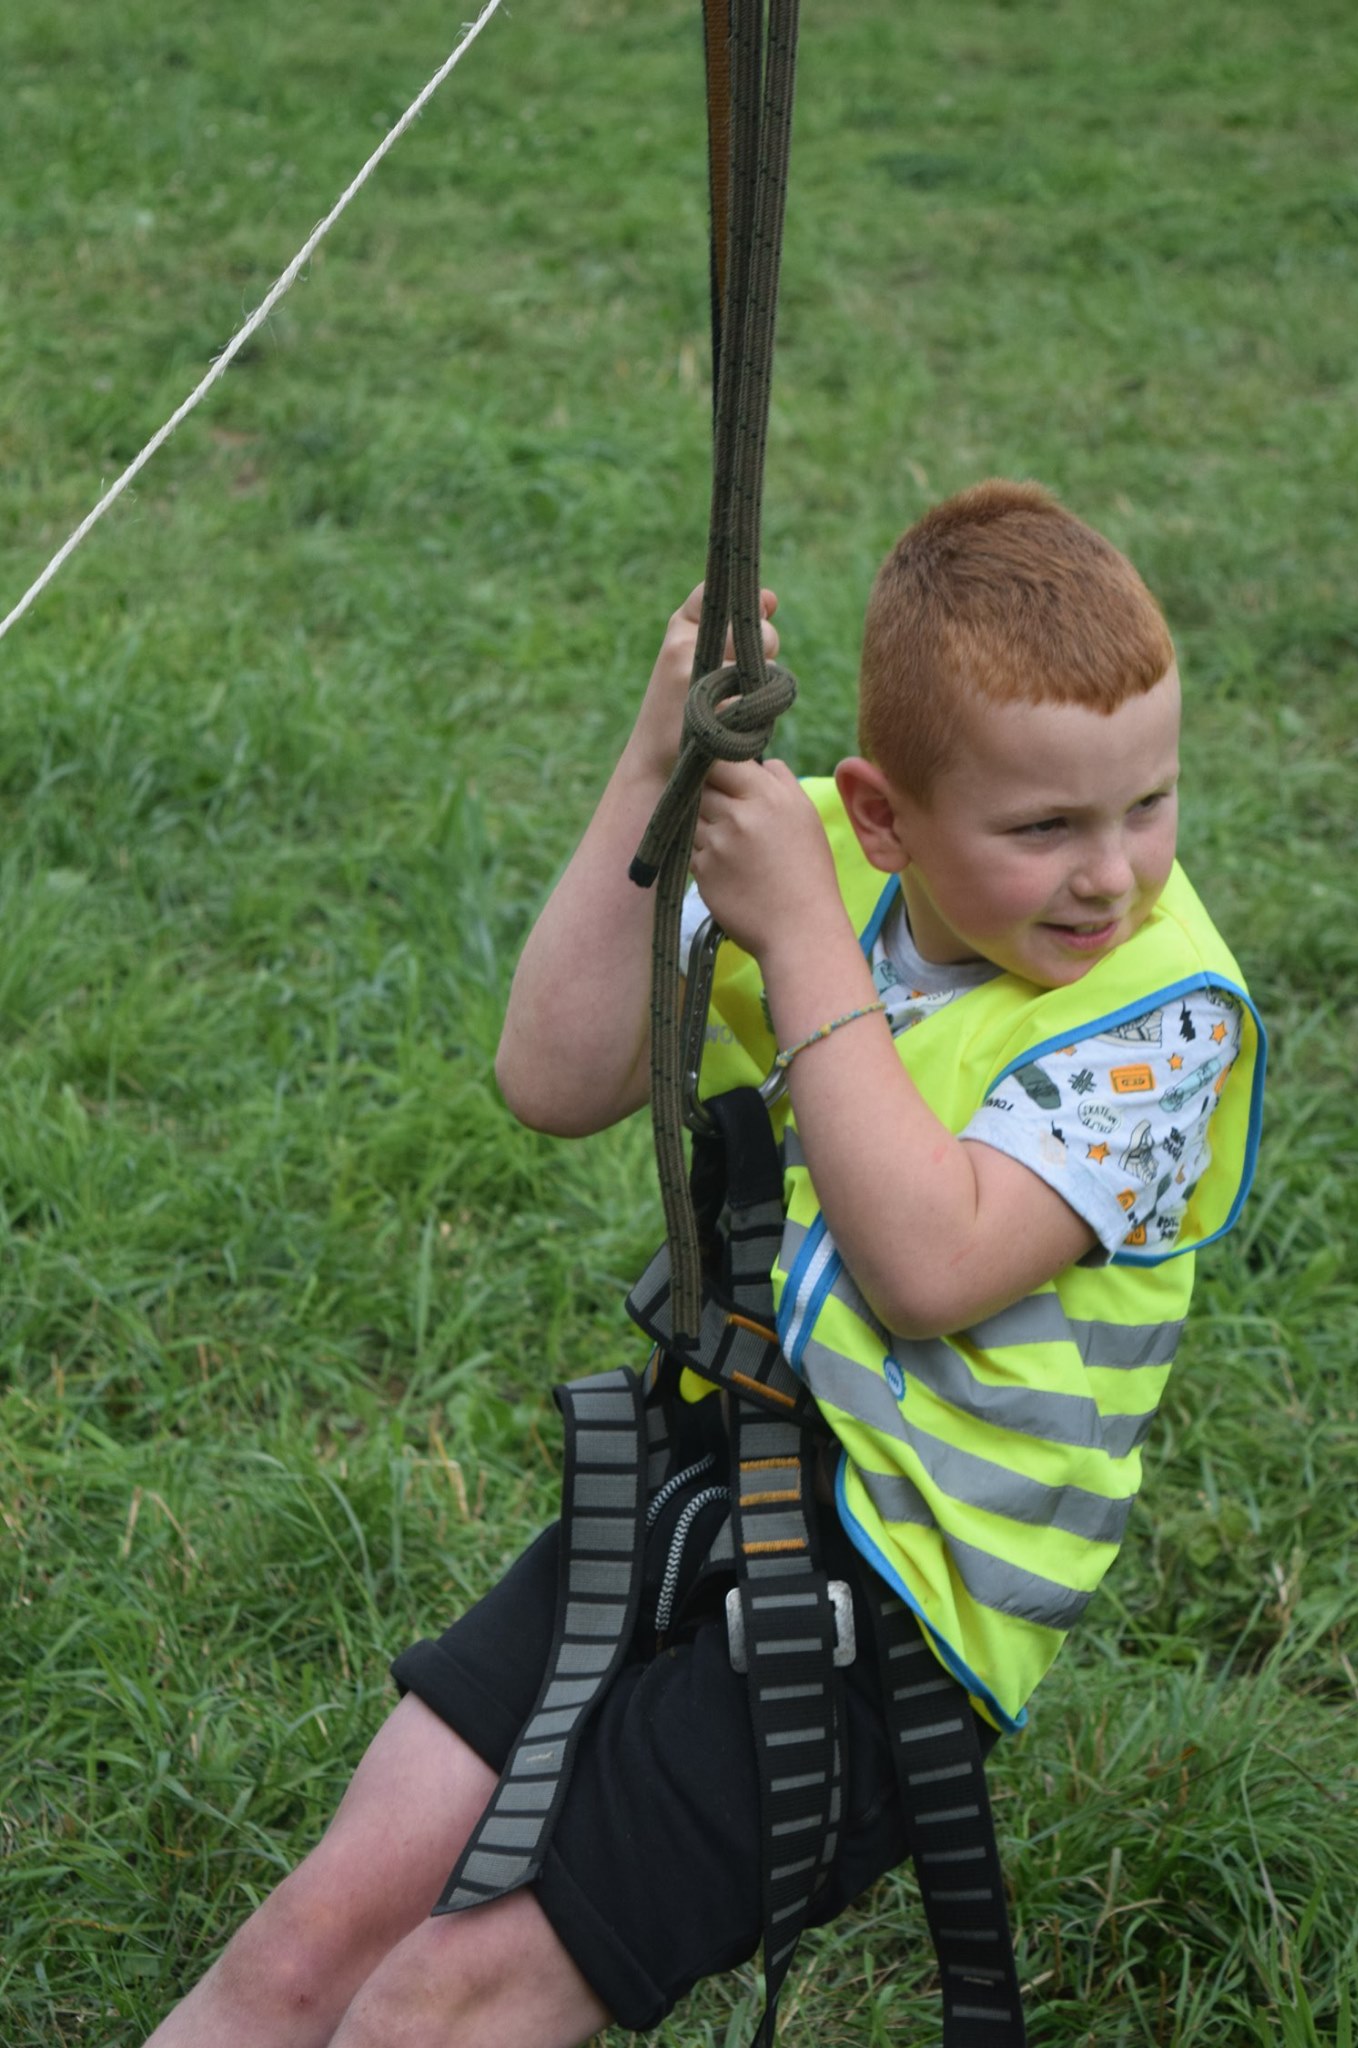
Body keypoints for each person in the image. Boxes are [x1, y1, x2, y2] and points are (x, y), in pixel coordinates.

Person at [143, 480, 1263, 2048]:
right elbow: (553, 1076)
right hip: (707, 1483)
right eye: (1044, 827)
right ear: (883, 815)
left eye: (1147, 803)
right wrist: (656, 764)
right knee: (316, 1936)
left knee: (432, 2005)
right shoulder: (830, 870)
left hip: (889, 1622)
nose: (1111, 875)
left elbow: (934, 1265)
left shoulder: (1158, 1020)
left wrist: (800, 939)